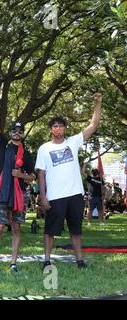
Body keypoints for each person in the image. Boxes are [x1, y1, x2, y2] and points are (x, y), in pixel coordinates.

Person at [35, 92, 103, 271]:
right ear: (51, 130)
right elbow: (41, 174)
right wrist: (43, 197)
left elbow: (94, 124)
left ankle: (79, 260)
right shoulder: (44, 149)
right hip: (55, 196)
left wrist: (97, 103)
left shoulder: (73, 142)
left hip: (75, 195)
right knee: (50, 231)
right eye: (54, 126)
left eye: (60, 126)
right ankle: (47, 260)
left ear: (65, 129)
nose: (57, 129)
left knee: (76, 230)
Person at [0, 89, 35, 274]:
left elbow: (33, 176)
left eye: (20, 131)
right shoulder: (3, 145)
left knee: (16, 228)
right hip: (4, 193)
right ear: (10, 132)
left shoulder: (27, 155)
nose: (17, 133)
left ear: (23, 134)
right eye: (14, 130)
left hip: (20, 194)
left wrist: (22, 176)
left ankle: (13, 263)